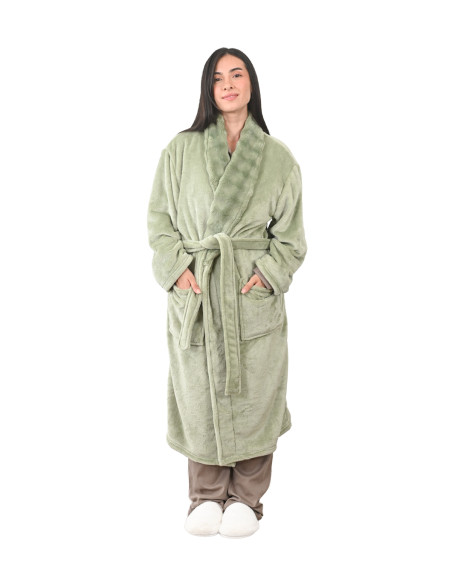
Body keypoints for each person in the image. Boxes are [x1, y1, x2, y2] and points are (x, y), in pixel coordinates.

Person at [147, 47, 308, 537]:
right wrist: (178, 269)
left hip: (248, 295)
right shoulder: (179, 150)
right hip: (198, 292)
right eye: (218, 78)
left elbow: (291, 239)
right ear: (209, 89)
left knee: (258, 390)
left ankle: (247, 499)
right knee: (198, 391)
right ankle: (205, 496)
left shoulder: (277, 157)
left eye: (237, 75)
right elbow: (160, 223)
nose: (229, 84)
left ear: (251, 83)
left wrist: (268, 274)